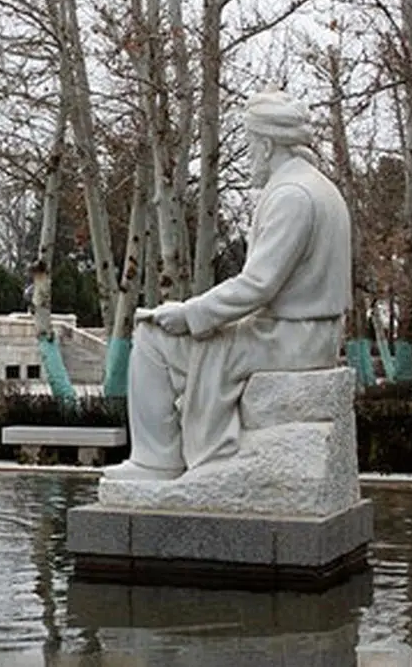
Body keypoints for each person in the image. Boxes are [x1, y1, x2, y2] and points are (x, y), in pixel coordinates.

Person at [107, 89, 352, 482]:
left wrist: (189, 315)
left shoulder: (293, 195)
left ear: (268, 144)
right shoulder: (317, 186)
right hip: (301, 332)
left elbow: (258, 285)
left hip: (290, 338)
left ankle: (157, 462)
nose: (251, 152)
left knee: (152, 338)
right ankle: (171, 457)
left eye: (252, 143)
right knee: (184, 337)